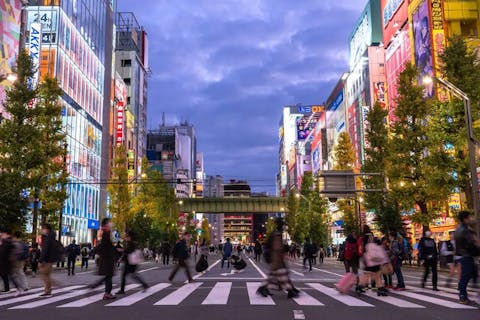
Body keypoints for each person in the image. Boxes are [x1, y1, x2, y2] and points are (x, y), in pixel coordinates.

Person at [257, 218, 299, 298]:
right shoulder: (277, 234)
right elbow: (277, 248)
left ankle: (263, 288)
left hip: (275, 258)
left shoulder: (276, 233)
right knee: (282, 274)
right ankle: (290, 290)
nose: (284, 227)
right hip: (276, 258)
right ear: (281, 225)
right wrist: (282, 258)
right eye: (283, 225)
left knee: (275, 275)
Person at [455, 211, 480, 305]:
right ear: (465, 219)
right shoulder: (464, 230)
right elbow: (469, 244)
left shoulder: (460, 228)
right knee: (466, 276)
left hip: (465, 256)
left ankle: (468, 295)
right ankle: (463, 296)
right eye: (469, 217)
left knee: (473, 275)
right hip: (467, 256)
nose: (470, 219)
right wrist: (477, 250)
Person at [89, 218, 118, 300]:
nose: (111, 223)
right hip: (107, 258)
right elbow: (106, 245)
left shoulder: (105, 232)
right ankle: (106, 292)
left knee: (108, 276)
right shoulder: (106, 233)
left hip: (106, 258)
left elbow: (105, 245)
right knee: (108, 276)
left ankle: (105, 292)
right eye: (110, 222)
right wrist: (115, 250)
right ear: (106, 224)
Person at [357, 225, 388, 296]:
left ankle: (359, 287)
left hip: (367, 258)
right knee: (376, 274)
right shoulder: (372, 237)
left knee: (367, 274)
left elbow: (361, 249)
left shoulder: (362, 238)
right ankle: (380, 288)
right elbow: (378, 244)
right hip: (374, 259)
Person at [39, 223, 60, 297]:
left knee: (43, 274)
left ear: (46, 229)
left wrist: (41, 260)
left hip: (47, 259)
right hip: (50, 259)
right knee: (46, 274)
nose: (41, 230)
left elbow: (45, 249)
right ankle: (48, 290)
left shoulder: (47, 238)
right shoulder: (51, 236)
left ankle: (52, 287)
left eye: (43, 228)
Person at [0, 226, 14, 293]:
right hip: (4, 261)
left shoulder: (8, 241)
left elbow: (3, 251)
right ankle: (7, 288)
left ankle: (8, 288)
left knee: (5, 275)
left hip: (5, 261)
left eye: (2, 233)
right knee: (4, 275)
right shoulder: (5, 240)